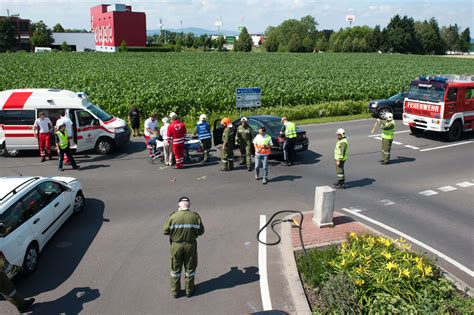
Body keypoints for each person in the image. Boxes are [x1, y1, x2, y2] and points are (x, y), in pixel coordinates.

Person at [163, 197, 204, 298]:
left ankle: (175, 292)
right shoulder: (195, 216)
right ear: (189, 204)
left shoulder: (173, 217)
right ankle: (189, 291)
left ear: (179, 205)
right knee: (190, 268)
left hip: (176, 246)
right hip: (190, 246)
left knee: (175, 269)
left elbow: (165, 231)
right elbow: (201, 231)